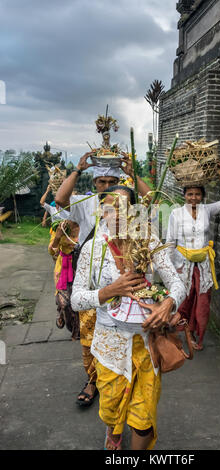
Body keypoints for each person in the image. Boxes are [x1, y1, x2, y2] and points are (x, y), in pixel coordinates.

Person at [71, 186, 186, 450]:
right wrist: (109, 291)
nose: (117, 213)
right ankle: (113, 435)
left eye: (124, 207)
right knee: (111, 410)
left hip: (146, 343)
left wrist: (167, 303)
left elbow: (177, 285)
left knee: (143, 418)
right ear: (102, 211)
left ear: (135, 210)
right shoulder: (93, 248)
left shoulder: (148, 242)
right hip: (109, 345)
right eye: (110, 207)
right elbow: (77, 299)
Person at [55, 152, 152, 407]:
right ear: (94, 185)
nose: (107, 187)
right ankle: (92, 380)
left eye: (112, 181)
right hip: (92, 276)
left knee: (125, 335)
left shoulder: (130, 208)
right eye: (101, 182)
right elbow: (59, 199)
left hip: (125, 275)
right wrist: (77, 169)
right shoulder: (87, 202)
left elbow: (151, 200)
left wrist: (134, 174)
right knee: (89, 337)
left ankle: (125, 381)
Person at [166, 165, 220, 351]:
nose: (193, 198)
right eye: (190, 194)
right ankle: (180, 334)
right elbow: (170, 241)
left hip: (202, 265)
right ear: (184, 195)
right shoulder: (176, 214)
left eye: (197, 194)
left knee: (202, 302)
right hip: (182, 264)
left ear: (202, 196)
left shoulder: (206, 210)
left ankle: (197, 335)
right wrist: (171, 268)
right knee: (183, 300)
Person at [48, 219, 80, 339]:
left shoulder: (85, 222)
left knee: (77, 302)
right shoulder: (61, 226)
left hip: (79, 268)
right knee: (65, 303)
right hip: (63, 270)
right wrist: (58, 236)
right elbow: (51, 251)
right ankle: (61, 310)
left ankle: (76, 330)